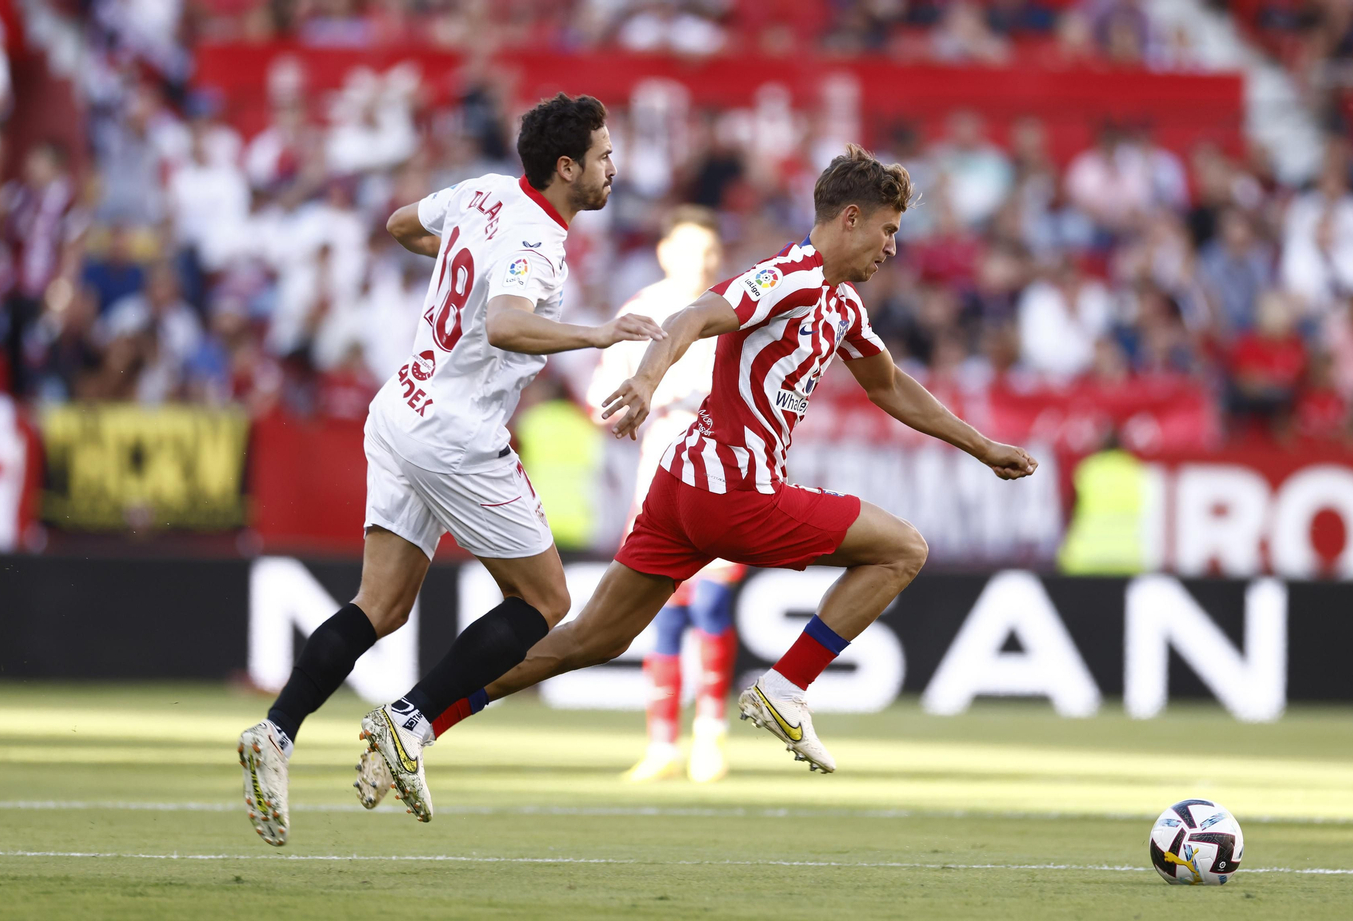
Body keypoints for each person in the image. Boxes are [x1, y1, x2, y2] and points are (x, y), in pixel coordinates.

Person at [395, 145, 1037, 786]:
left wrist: (982, 447)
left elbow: (890, 386)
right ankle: (787, 685)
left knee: (591, 639)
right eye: (888, 229)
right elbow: (696, 314)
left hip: (681, 487)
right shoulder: (790, 275)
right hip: (735, 490)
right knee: (903, 549)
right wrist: (647, 379)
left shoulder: (842, 306)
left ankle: (413, 721)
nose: (893, 247)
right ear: (849, 218)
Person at [237, 92, 666, 847]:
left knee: (382, 604)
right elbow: (505, 322)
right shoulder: (536, 239)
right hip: (456, 431)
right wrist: (597, 333)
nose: (612, 169)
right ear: (566, 169)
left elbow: (401, 225)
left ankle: (276, 734)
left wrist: (464, 262)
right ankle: (408, 723)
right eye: (602, 157)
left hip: (401, 402)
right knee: (545, 599)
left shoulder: (485, 192)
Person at [584, 206, 746, 784]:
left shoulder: (737, 307)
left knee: (711, 605)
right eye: (690, 249)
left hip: (727, 480)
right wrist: (629, 407)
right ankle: (661, 743)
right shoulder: (643, 310)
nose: (702, 261)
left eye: (710, 251)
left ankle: (710, 736)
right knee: (661, 611)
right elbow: (600, 393)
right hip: (658, 482)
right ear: (665, 252)